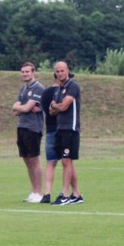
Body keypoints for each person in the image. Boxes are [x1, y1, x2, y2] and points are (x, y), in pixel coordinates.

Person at [50, 62, 84, 205]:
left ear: (68, 71)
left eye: (62, 70)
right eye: (57, 71)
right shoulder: (58, 89)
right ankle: (76, 194)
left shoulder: (72, 86)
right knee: (67, 161)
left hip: (70, 128)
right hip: (60, 128)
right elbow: (51, 110)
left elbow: (63, 106)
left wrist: (57, 106)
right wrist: (57, 106)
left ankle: (64, 195)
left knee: (66, 160)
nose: (60, 73)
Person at [12, 62, 45, 203]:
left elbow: (25, 109)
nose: (25, 74)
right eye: (23, 72)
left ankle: (39, 192)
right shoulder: (23, 89)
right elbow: (15, 110)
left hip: (33, 128)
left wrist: (23, 107)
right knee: (27, 160)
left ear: (33, 72)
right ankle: (33, 191)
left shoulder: (38, 88)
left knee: (34, 160)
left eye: (27, 71)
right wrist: (22, 107)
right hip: (22, 126)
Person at [39, 74, 61, 203]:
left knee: (50, 163)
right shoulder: (65, 92)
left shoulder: (46, 93)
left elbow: (45, 110)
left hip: (50, 130)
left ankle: (47, 193)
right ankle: (70, 192)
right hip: (63, 130)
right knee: (67, 162)